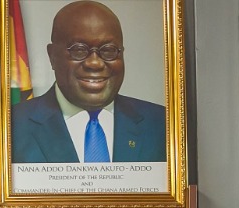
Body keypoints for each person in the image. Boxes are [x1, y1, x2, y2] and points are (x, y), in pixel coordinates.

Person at [10, 1, 166, 164]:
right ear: (52, 56)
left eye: (109, 50)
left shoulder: (162, 124)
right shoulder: (11, 127)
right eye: (79, 50)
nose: (95, 63)